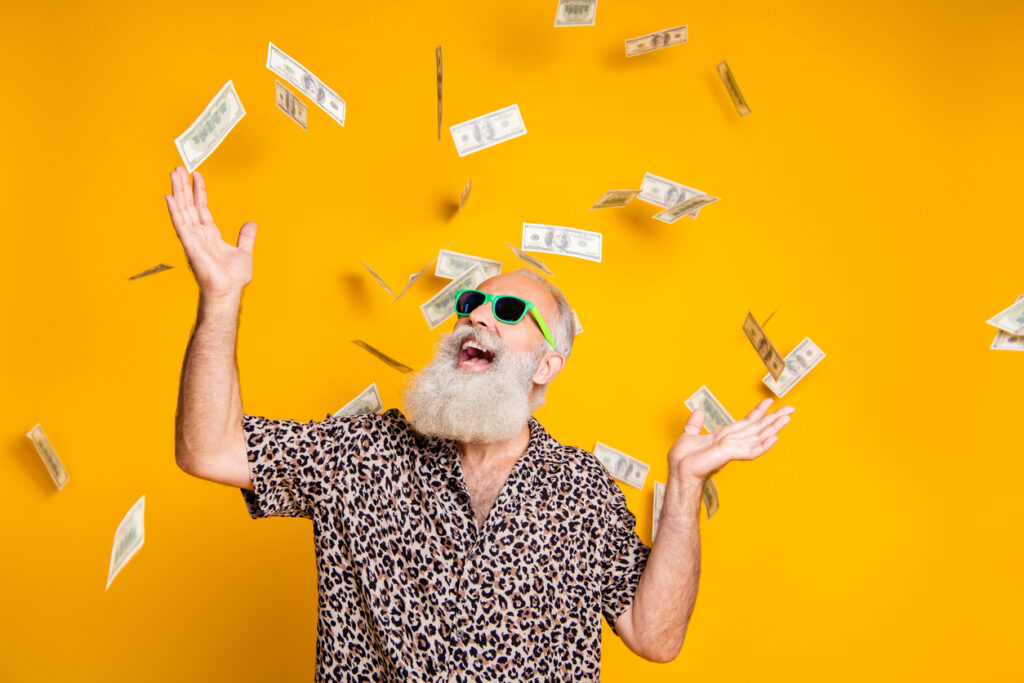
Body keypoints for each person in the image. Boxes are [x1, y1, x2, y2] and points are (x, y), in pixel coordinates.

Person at [164, 166, 795, 681]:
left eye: (510, 310)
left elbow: (656, 638)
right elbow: (209, 449)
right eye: (472, 303)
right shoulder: (362, 453)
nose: (479, 317)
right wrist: (221, 298)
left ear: (548, 364)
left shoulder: (582, 492)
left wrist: (683, 486)